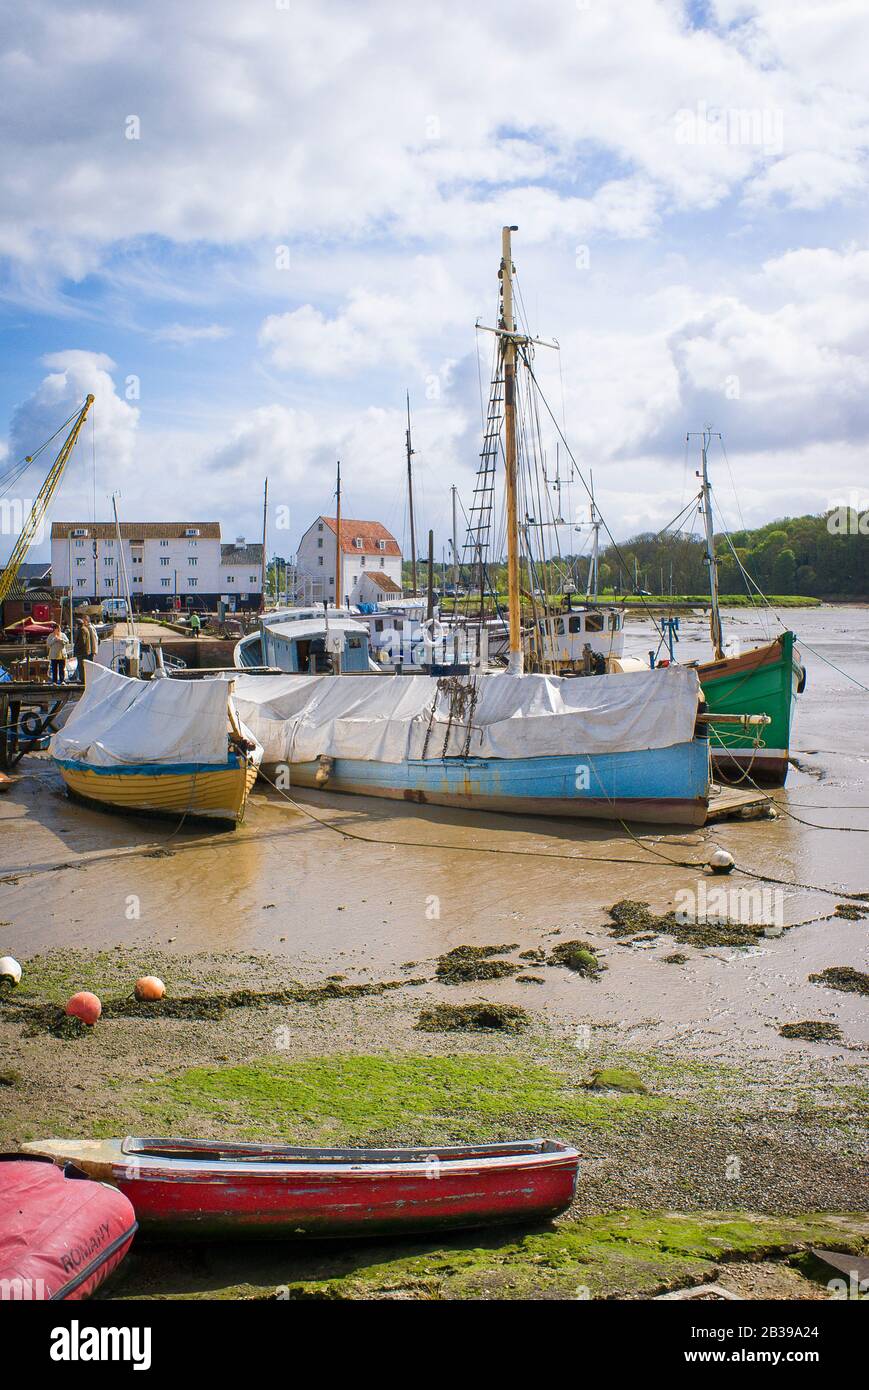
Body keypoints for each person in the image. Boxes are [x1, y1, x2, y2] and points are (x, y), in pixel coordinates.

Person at [73, 615, 98, 682]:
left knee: (84, 666)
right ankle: (80, 678)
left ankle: (84, 680)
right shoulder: (85, 628)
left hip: (85, 652)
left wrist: (94, 650)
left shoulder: (86, 629)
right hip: (87, 651)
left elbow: (92, 640)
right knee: (83, 666)